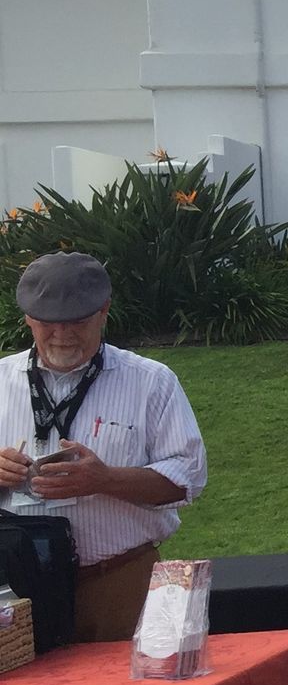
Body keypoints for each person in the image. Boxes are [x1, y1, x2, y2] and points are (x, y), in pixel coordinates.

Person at [0, 252, 208, 642]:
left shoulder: (151, 382)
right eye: (48, 323)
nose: (62, 335)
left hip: (119, 580)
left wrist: (105, 479)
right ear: (27, 317)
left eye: (77, 321)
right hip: (17, 591)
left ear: (104, 311)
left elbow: (188, 480)